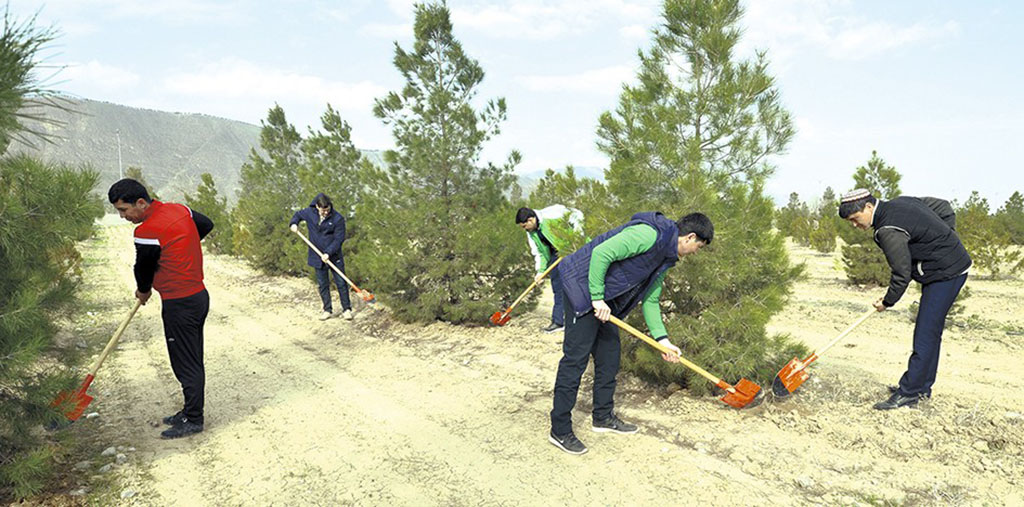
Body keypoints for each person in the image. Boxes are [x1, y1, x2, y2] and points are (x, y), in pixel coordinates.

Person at [548, 211, 712, 455]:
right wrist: (596, 298)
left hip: (604, 300)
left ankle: (602, 417)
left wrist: (663, 341)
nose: (696, 252)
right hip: (580, 289)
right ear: (690, 237)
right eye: (699, 246)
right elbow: (601, 253)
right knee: (575, 360)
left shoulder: (666, 257)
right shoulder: (648, 234)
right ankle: (559, 430)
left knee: (609, 357)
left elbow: (651, 300)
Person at [838, 189, 971, 410]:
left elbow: (901, 273)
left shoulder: (887, 230)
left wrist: (887, 302)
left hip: (947, 273)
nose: (854, 225)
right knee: (930, 332)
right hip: (946, 268)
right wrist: (946, 238)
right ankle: (921, 387)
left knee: (925, 334)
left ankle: (909, 392)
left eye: (855, 219)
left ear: (869, 208)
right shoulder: (900, 203)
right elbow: (942, 206)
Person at [108, 178, 213, 439]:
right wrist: (179, 245)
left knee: (186, 363)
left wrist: (143, 291)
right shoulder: (179, 210)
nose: (123, 217)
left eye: (124, 210)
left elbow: (142, 268)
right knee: (191, 358)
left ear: (141, 203)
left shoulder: (147, 231)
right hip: (198, 298)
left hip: (180, 304)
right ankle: (189, 410)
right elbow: (206, 224)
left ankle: (193, 419)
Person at [515, 205, 584, 333]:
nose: (524, 229)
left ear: (530, 220)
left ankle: (583, 320)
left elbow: (577, 214)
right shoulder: (531, 233)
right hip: (555, 255)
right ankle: (559, 322)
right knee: (558, 288)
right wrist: (540, 271)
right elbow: (539, 253)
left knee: (580, 284)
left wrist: (576, 238)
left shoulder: (553, 214)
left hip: (574, 249)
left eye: (524, 226)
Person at [290, 193, 352, 321]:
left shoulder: (337, 218)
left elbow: (339, 239)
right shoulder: (309, 212)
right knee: (323, 284)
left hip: (334, 256)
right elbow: (297, 215)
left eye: (327, 210)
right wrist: (294, 224)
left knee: (341, 283)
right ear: (317, 207)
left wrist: (328, 252)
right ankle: (327, 310)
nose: (325, 213)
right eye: (323, 210)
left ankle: (346, 309)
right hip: (316, 255)